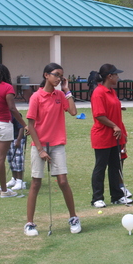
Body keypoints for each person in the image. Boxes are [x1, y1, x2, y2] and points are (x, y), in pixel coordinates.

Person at [24, 63, 81, 236]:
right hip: (39, 145)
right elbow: (31, 126)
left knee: (63, 181)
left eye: (61, 76)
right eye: (56, 75)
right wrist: (40, 149)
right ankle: (29, 223)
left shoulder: (60, 95)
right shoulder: (36, 97)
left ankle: (73, 217)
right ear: (46, 75)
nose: (58, 78)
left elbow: (72, 111)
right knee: (36, 183)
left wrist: (67, 90)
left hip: (57, 145)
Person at [90, 63, 133, 208]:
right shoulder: (99, 92)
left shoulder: (112, 92)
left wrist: (123, 132)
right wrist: (114, 126)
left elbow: (115, 114)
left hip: (116, 136)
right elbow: (99, 115)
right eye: (116, 75)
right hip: (102, 136)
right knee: (101, 166)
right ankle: (97, 197)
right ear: (110, 76)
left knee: (116, 166)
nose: (118, 77)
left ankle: (117, 196)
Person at [0, 64, 27, 198]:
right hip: (3, 123)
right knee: (0, 158)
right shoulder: (7, 88)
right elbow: (12, 108)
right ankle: (4, 190)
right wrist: (24, 125)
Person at [5, 114, 27, 191]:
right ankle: (14, 178)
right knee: (11, 159)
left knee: (18, 159)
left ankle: (20, 180)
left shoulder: (14, 114)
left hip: (16, 139)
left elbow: (21, 127)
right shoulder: (4, 114)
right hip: (8, 139)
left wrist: (18, 140)